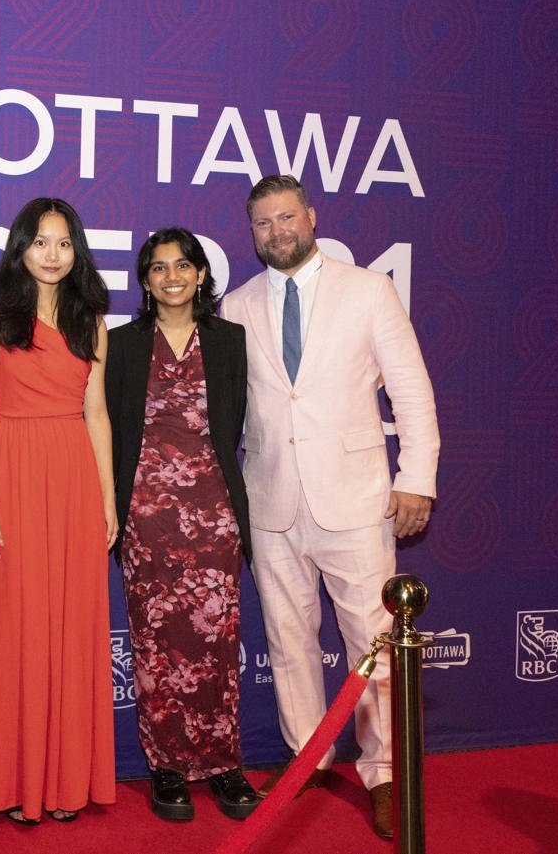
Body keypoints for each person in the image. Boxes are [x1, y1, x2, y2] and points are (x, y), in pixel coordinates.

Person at [221, 175, 439, 840]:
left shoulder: (368, 289)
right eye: (263, 223)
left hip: (357, 501)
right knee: (288, 642)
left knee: (372, 645)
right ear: (252, 232)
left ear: (311, 218)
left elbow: (412, 391)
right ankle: (306, 760)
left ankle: (383, 774)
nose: (277, 231)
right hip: (271, 503)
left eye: (286, 217)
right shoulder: (236, 305)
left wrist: (418, 478)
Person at [0, 197, 118, 826]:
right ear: (20, 247)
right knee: (19, 625)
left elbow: (97, 413)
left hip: (76, 477)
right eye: (40, 242)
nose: (52, 255)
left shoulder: (92, 323)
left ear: (75, 250)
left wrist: (107, 499)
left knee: (72, 627)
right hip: (15, 475)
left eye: (63, 243)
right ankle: (17, 778)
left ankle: (65, 781)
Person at [105, 227, 261, 823]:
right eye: (159, 267)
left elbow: (235, 423)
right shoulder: (121, 344)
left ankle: (224, 765)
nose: (172, 276)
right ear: (145, 281)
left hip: (215, 512)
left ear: (200, 275)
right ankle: (166, 767)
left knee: (217, 643)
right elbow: (112, 428)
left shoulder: (230, 340)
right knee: (155, 644)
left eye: (183, 265)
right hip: (145, 515)